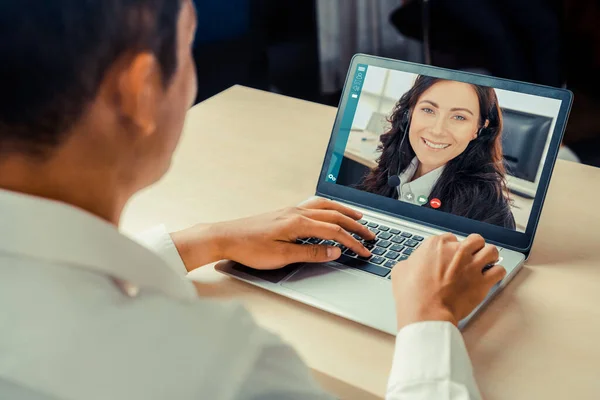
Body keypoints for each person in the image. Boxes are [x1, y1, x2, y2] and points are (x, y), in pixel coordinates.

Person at [0, 1, 506, 399]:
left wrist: (208, 239)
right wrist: (429, 317)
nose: (438, 127)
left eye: (460, 116)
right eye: (188, 46)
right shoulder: (222, 369)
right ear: (141, 91)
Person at [357, 75, 516, 230]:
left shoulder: (489, 213)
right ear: (410, 112)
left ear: (478, 128)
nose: (437, 130)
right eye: (428, 110)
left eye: (459, 117)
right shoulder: (391, 170)